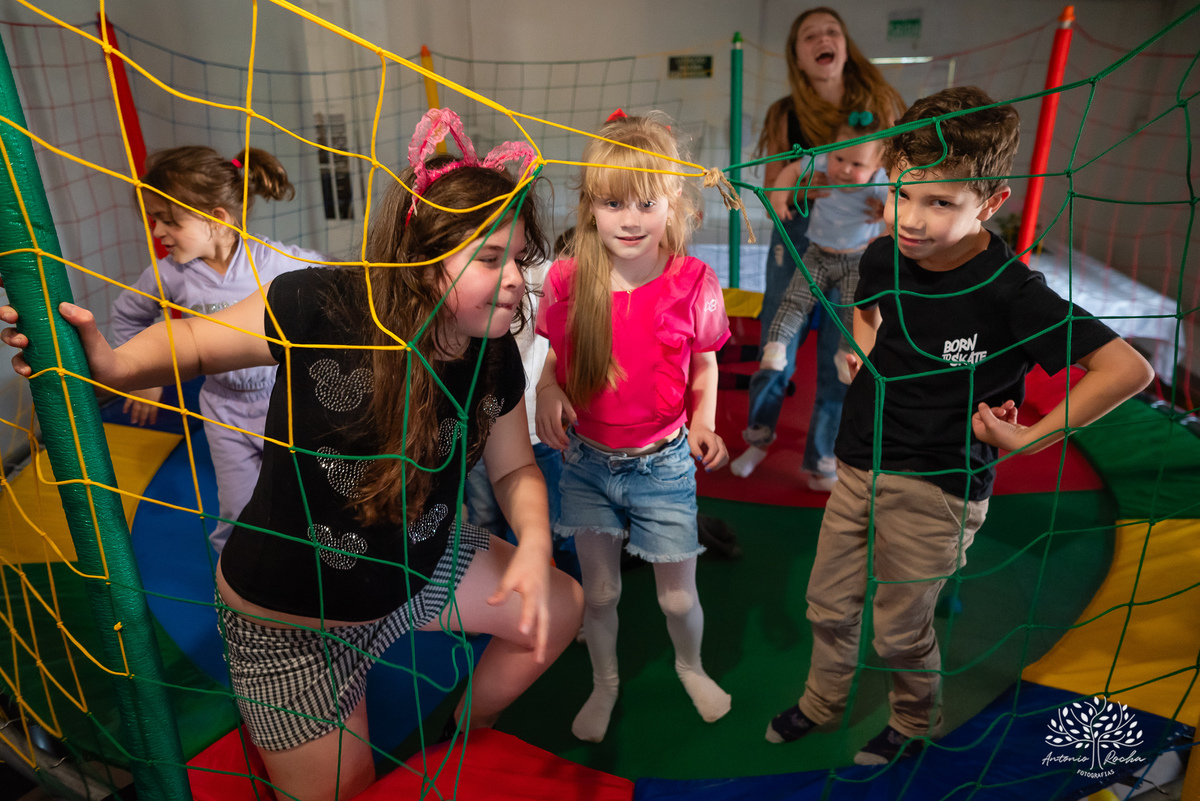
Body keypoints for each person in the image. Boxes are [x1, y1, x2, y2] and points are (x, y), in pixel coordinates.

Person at [3, 107, 585, 801]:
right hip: (292, 628)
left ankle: (471, 719)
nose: (518, 278)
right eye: (491, 259)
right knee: (343, 790)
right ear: (421, 259)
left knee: (557, 602)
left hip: (415, 569)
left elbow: (516, 466)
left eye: (519, 258)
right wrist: (113, 363)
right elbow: (192, 341)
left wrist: (532, 542)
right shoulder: (327, 302)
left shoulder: (492, 356)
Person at [764, 87, 1154, 766]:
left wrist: (1030, 436)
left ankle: (913, 719)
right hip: (861, 460)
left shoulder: (1011, 290)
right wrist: (858, 349)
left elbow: (1126, 369)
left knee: (900, 628)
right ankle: (823, 701)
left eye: (939, 202)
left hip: (940, 483)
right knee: (827, 604)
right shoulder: (886, 254)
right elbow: (868, 305)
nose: (911, 219)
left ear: (991, 202)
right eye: (904, 193)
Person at [535, 110, 732, 743]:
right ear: (590, 206)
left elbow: (705, 359)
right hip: (588, 462)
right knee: (599, 594)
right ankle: (605, 683)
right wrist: (546, 391)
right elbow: (554, 361)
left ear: (671, 201)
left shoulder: (694, 282)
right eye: (612, 202)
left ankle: (690, 665)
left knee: (677, 598)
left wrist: (703, 420)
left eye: (645, 202)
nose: (629, 218)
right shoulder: (567, 280)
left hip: (664, 463)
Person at [111, 146, 325, 552]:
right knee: (236, 509)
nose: (157, 232)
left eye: (169, 221)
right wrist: (144, 378)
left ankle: (306, 572)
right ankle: (236, 591)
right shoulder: (170, 275)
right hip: (222, 408)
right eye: (154, 220)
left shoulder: (276, 262)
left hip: (286, 403)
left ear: (217, 218)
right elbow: (127, 316)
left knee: (309, 497)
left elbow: (341, 277)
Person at [730, 6, 906, 487]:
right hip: (801, 239)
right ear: (799, 57)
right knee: (777, 339)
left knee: (843, 348)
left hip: (858, 249)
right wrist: (809, 189)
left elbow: (902, 173)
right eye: (811, 36)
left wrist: (892, 207)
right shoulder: (787, 114)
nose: (823, 39)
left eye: (832, 31)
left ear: (845, 46)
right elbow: (771, 188)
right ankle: (759, 433)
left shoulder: (881, 105)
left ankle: (823, 453)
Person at [464, 227, 580, 583]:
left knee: (555, 527)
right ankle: (500, 596)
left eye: (518, 255)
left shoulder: (540, 279)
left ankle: (566, 585)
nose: (509, 275)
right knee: (486, 521)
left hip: (537, 431)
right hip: (482, 438)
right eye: (489, 258)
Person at [759, 113, 888, 419]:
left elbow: (898, 205)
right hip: (816, 254)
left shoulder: (882, 182)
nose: (844, 169)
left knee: (851, 311)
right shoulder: (822, 163)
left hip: (855, 259)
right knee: (793, 302)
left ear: (875, 166)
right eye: (839, 158)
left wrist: (885, 213)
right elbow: (791, 170)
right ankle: (776, 346)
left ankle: (846, 356)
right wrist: (779, 199)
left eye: (857, 165)